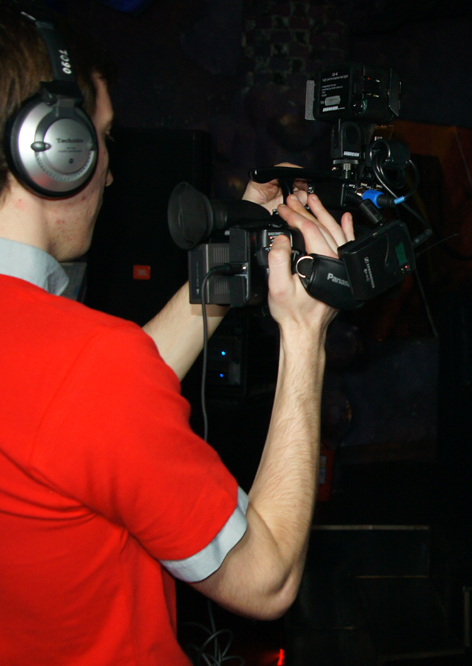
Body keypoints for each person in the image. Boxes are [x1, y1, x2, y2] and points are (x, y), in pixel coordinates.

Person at [0, 6, 353, 663]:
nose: (109, 171)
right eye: (102, 138)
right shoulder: (89, 368)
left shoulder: (69, 366)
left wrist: (235, 246)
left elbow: (84, 419)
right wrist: (305, 333)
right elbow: (266, 578)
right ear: (53, 149)